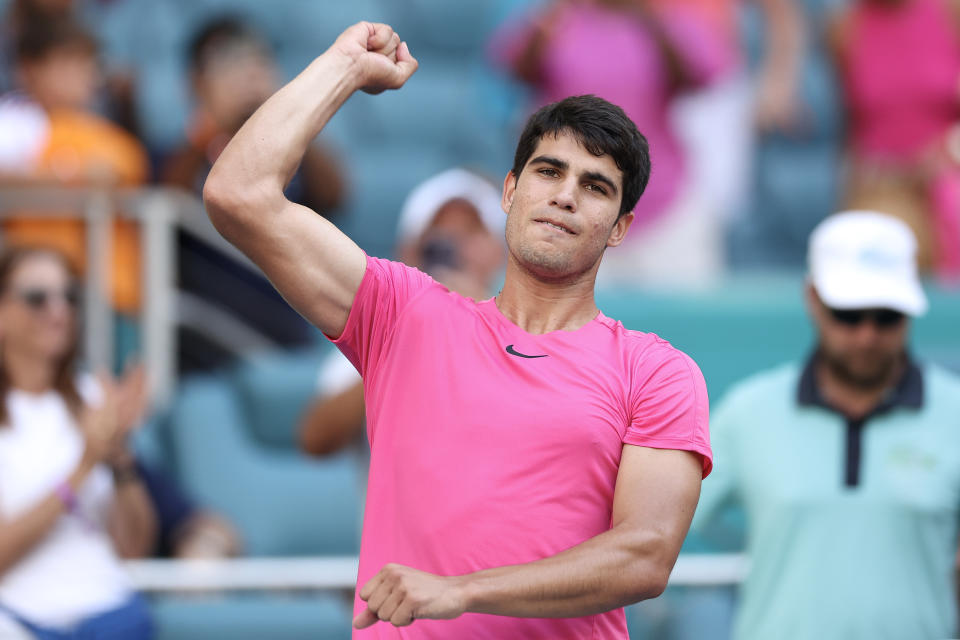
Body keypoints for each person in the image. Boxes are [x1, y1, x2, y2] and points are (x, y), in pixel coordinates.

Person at [204, 22, 711, 638]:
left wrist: (464, 591)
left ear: (621, 227)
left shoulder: (656, 370)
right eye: (549, 171)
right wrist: (343, 66)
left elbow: (646, 554)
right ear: (510, 190)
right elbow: (238, 193)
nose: (565, 196)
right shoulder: (403, 314)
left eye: (595, 186)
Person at [693, 210, 960, 639]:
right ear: (812, 298)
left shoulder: (955, 413)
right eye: (849, 314)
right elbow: (658, 522)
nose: (867, 335)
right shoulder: (748, 413)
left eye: (887, 316)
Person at [491, 0, 728, 285]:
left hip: (665, 210)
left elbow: (704, 75)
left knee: (686, 324)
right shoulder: (558, 18)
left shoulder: (668, 20)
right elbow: (513, 68)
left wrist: (651, 21)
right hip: (574, 212)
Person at [163, 16, 348, 372]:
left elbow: (335, 193)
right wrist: (214, 120)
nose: (243, 75)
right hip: (204, 347)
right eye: (226, 66)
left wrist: (283, 112)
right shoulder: (179, 154)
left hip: (289, 341)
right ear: (196, 83)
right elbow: (167, 204)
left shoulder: (289, 154)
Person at [0, 247, 155, 639]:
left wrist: (118, 455)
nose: (59, 310)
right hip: (21, 620)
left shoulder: (91, 399)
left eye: (69, 296)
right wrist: (83, 467)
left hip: (113, 614)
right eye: (38, 298)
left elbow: (134, 548)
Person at [299, 167, 506, 458]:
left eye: (470, 232)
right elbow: (316, 440)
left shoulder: (521, 337)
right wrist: (407, 341)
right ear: (408, 251)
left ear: (497, 251)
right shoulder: (375, 335)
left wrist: (484, 324)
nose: (455, 245)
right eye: (438, 234)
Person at [0, 17, 149, 318]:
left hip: (112, 303)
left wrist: (42, 179)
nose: (83, 74)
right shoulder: (14, 121)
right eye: (67, 62)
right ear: (30, 69)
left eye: (88, 63)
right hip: (34, 299)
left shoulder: (112, 138)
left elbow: (121, 175)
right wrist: (69, 177)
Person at [829, 0, 960, 279]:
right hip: (882, 188)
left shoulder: (951, 13)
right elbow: (849, 127)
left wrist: (950, 150)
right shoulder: (844, 28)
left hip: (950, 181)